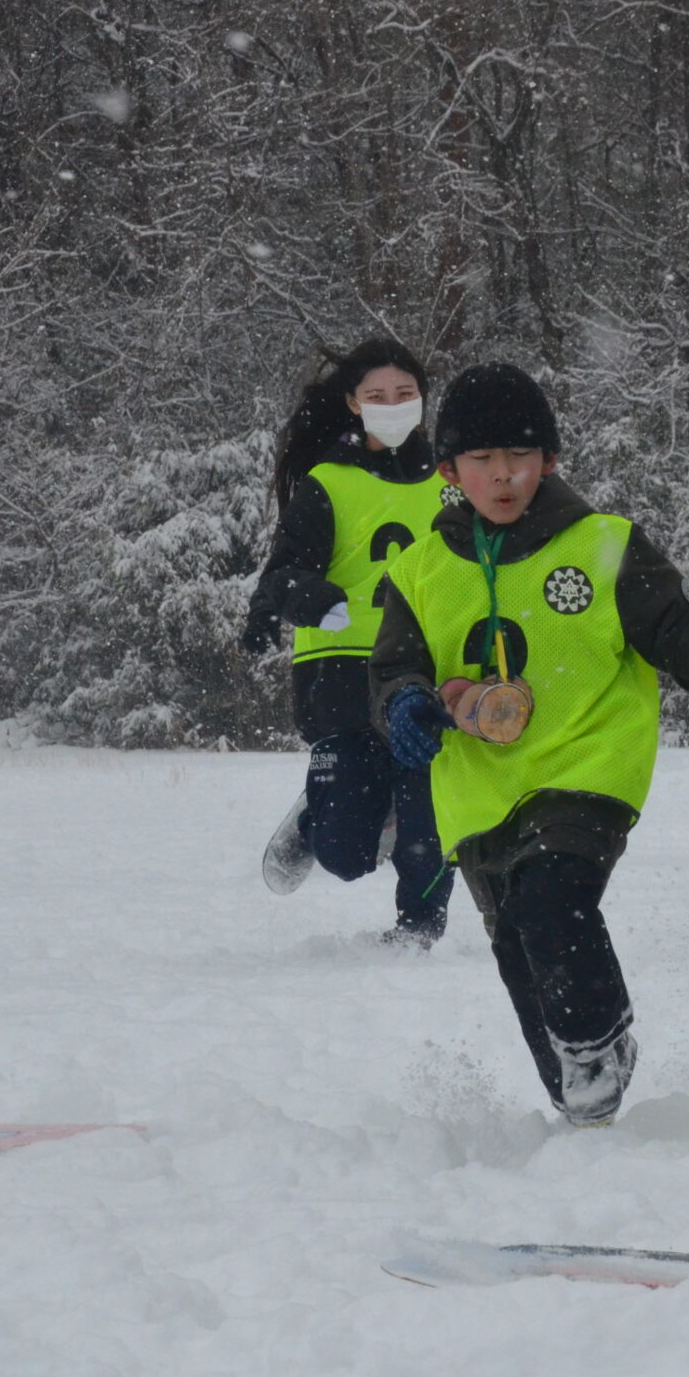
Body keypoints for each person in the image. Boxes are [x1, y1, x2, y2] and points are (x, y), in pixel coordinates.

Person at [368, 364, 689, 1125]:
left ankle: (599, 1036)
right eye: (484, 461)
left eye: (521, 458)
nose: (504, 476)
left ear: (551, 460)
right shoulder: (419, 571)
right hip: (479, 795)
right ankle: (585, 1106)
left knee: (552, 898)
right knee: (520, 954)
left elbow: (674, 624)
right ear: (449, 471)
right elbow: (396, 665)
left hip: (587, 766)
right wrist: (403, 705)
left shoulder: (604, 544)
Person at [242, 338, 453, 945]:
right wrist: (307, 596)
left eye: (405, 394)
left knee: (433, 813)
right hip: (342, 676)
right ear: (353, 405)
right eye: (377, 396)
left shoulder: (452, 480)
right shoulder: (327, 483)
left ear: (423, 400)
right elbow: (280, 576)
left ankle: (419, 927)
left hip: (429, 671)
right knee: (346, 854)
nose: (393, 405)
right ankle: (318, 820)